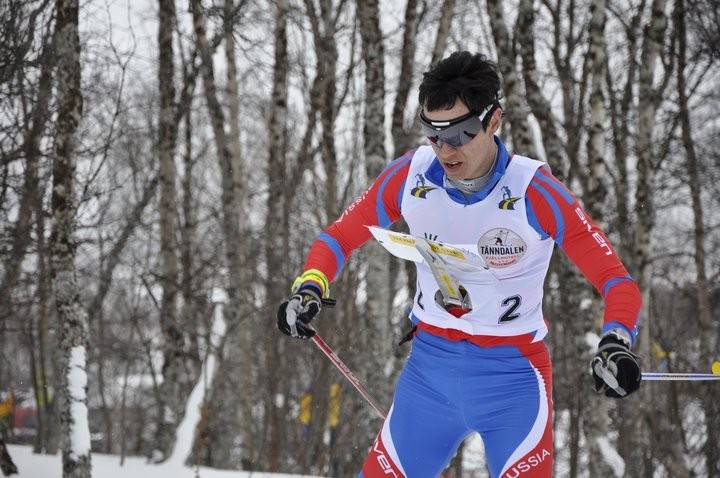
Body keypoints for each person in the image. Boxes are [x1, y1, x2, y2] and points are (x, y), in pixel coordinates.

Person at [277, 51, 642, 478]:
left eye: (461, 133)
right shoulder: (410, 177)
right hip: (428, 377)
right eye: (433, 134)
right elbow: (339, 236)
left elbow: (615, 279)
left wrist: (616, 340)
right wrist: (309, 287)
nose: (445, 150)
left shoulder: (535, 191)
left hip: (514, 383)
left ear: (494, 121)